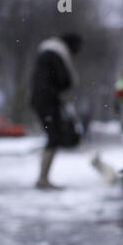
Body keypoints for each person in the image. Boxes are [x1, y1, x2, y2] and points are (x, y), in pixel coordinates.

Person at [30, 33, 82, 190]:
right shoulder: (56, 55)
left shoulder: (46, 54)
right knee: (53, 137)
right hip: (48, 100)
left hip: (42, 99)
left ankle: (43, 176)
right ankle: (43, 177)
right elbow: (64, 80)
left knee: (52, 137)